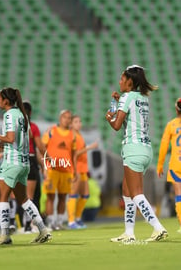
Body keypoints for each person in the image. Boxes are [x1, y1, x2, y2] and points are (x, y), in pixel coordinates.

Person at [106, 65, 168, 243]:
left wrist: (110, 117)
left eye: (122, 79)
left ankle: (158, 228)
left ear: (129, 81)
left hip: (133, 148)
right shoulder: (142, 97)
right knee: (126, 191)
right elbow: (132, 114)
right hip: (145, 149)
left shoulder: (127, 97)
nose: (119, 82)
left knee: (136, 194)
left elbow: (117, 126)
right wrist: (120, 101)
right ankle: (129, 232)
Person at [0, 87, 51, 245]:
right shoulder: (22, 115)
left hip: (12, 162)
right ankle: (43, 230)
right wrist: (3, 144)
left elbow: (10, 138)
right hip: (24, 162)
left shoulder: (9, 115)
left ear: (6, 101)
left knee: (1, 197)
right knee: (24, 199)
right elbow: (22, 137)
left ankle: (4, 235)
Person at [41, 109, 76, 231]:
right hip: (52, 169)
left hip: (66, 170)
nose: (67, 120)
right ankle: (50, 223)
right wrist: (44, 166)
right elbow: (42, 147)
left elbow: (73, 154)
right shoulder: (51, 131)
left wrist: (74, 170)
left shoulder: (72, 135)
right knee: (50, 197)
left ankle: (60, 222)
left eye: (69, 118)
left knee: (62, 197)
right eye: (65, 117)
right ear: (60, 118)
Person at [67, 115, 98, 229]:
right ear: (71, 124)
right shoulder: (72, 136)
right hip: (76, 169)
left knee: (85, 195)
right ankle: (71, 221)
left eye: (79, 121)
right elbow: (74, 154)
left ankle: (78, 218)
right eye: (76, 122)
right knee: (73, 194)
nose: (79, 123)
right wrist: (90, 147)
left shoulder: (79, 135)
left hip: (83, 169)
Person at [157, 97, 181, 233]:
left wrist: (160, 165)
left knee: (179, 195)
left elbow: (164, 146)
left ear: (176, 109)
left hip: (176, 165)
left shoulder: (171, 125)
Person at [22, 101, 46, 233]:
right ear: (30, 113)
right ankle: (28, 225)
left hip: (18, 160)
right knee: (30, 196)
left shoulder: (16, 125)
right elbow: (39, 147)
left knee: (22, 195)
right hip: (30, 160)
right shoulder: (33, 127)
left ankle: (22, 224)